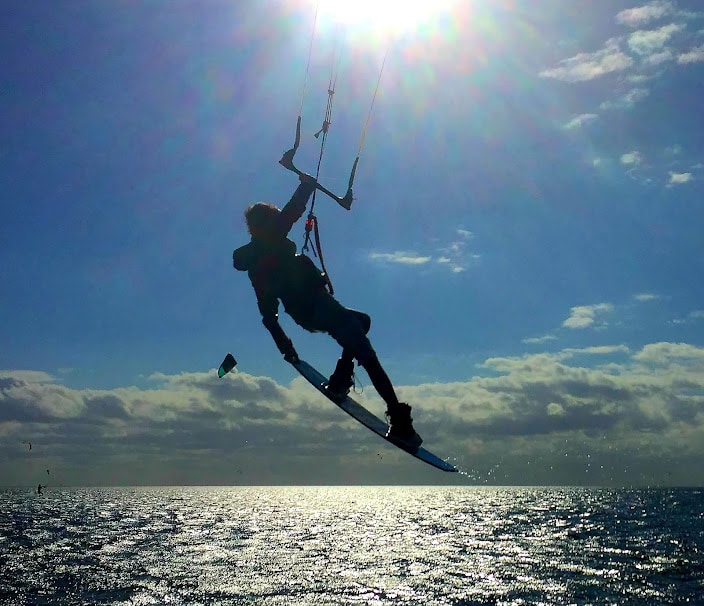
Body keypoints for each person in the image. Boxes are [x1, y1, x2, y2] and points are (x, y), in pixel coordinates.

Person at [232, 174, 422, 448]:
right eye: (274, 218)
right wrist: (306, 184)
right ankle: (400, 421)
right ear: (264, 225)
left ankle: (340, 379)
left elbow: (268, 314)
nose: (279, 221)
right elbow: (294, 208)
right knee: (367, 355)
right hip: (317, 307)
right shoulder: (271, 240)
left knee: (362, 321)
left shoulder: (257, 263)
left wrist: (284, 344)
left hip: (308, 313)